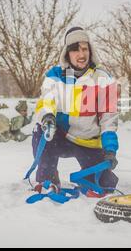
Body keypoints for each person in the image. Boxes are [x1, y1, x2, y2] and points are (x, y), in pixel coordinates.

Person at [32, 27, 119, 197]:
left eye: (85, 49)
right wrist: (48, 116)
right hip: (61, 137)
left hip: (88, 142)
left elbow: (109, 118)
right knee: (41, 130)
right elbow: (46, 101)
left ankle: (91, 178)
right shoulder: (55, 75)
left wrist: (110, 149)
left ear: (90, 51)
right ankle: (47, 179)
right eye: (75, 50)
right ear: (67, 54)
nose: (81, 54)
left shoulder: (102, 78)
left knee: (106, 186)